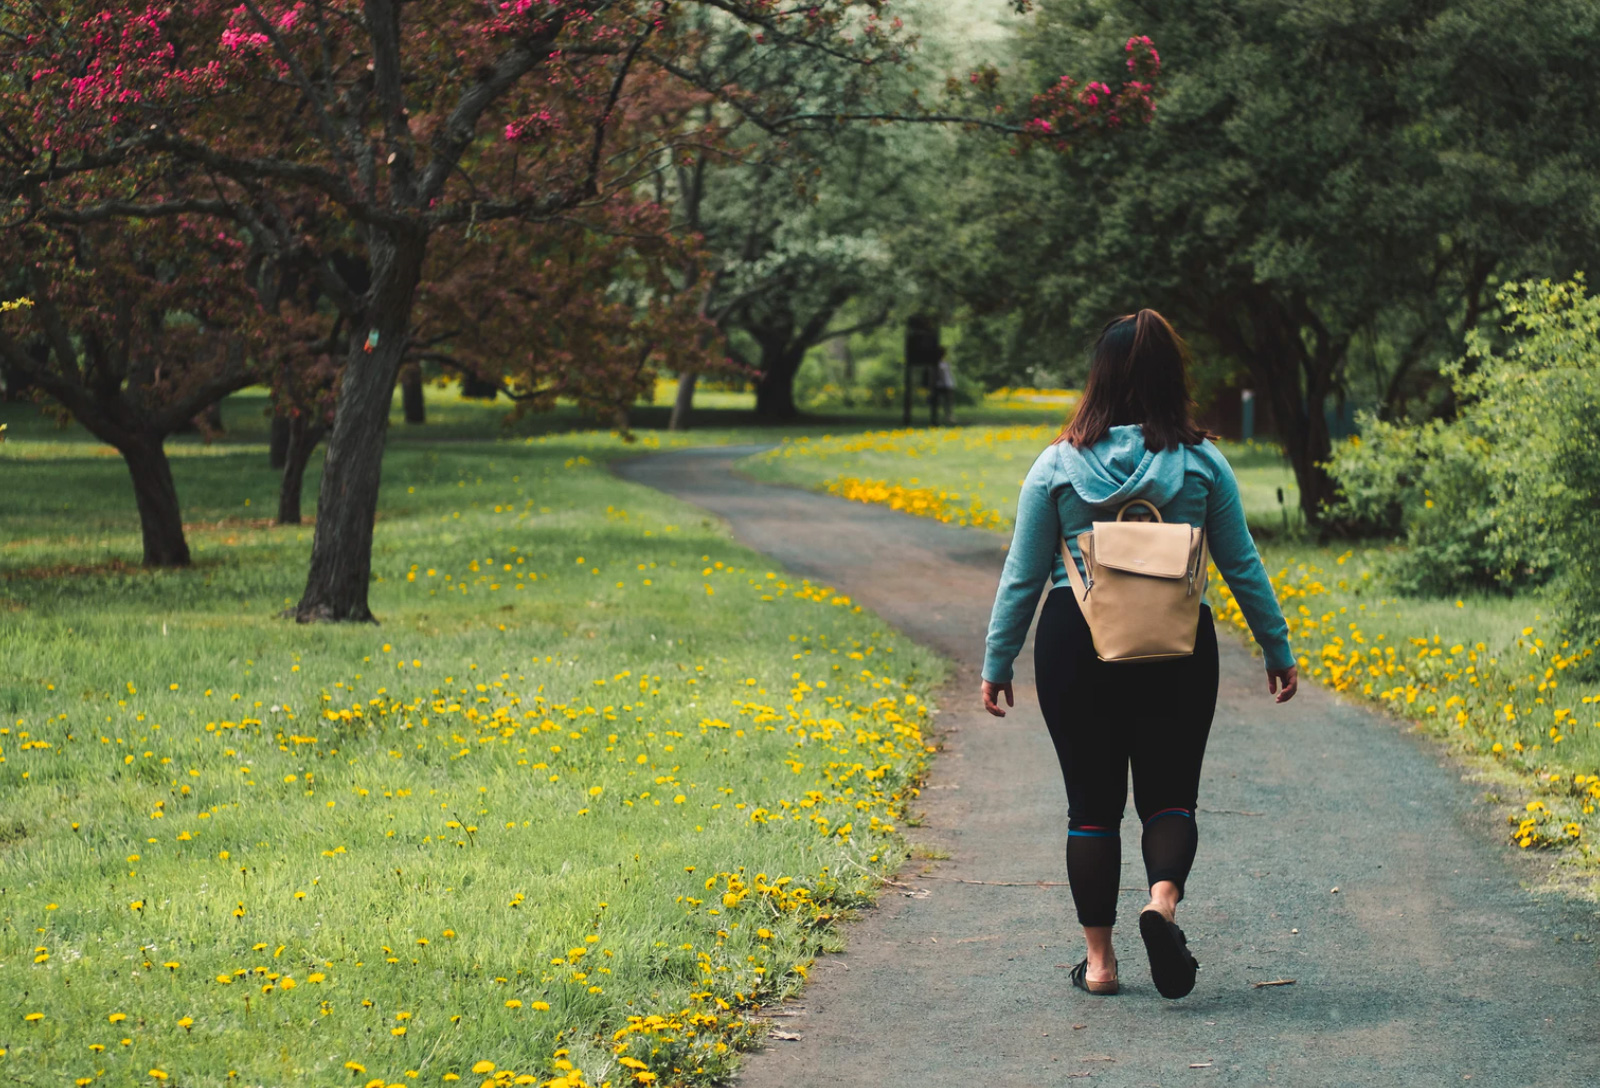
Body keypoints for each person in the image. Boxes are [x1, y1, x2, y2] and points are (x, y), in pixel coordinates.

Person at [979, 309, 1297, 1000]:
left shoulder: (1058, 464)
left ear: (1099, 378)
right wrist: (1276, 647)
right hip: (1177, 641)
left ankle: (1099, 964)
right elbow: (1242, 565)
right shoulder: (1202, 462)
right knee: (1169, 796)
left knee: (1090, 809)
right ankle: (1160, 905)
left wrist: (997, 660)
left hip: (1075, 638)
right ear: (1169, 379)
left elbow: (1024, 573)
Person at [930, 349, 956, 426]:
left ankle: (948, 417)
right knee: (939, 402)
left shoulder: (945, 363)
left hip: (947, 384)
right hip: (940, 385)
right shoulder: (936, 364)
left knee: (948, 402)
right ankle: (937, 418)